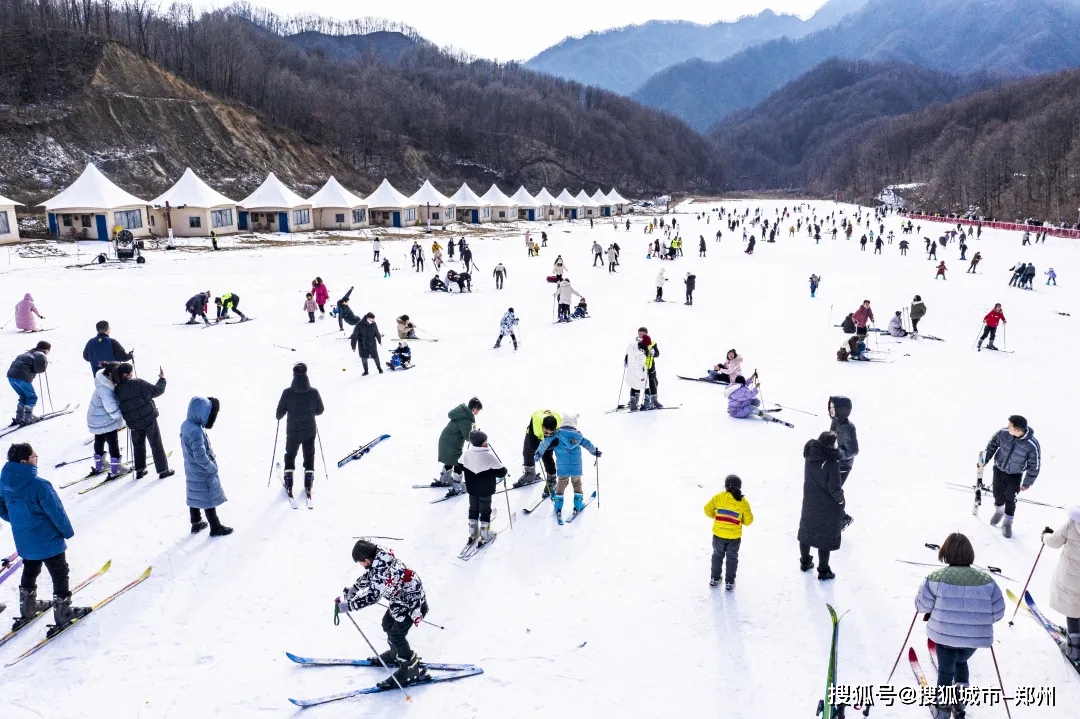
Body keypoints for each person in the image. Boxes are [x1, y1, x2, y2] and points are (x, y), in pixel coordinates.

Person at [0, 443, 91, 635]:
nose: (36, 458)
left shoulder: (3, 483)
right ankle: (63, 612)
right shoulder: (39, 485)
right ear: (24, 461)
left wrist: (18, 521)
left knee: (30, 568)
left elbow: (2, 509)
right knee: (59, 572)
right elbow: (56, 511)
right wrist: (66, 531)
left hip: (24, 538)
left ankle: (28, 608)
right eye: (34, 456)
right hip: (47, 538)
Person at [915, 533, 1005, 719]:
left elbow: (921, 605)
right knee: (961, 662)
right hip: (973, 640)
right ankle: (960, 701)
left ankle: (942, 710)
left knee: (946, 671)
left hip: (945, 637)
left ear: (945, 553)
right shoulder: (987, 580)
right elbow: (998, 612)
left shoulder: (936, 578)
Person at [336, 540, 430, 689]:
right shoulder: (378, 558)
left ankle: (411, 669)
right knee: (387, 623)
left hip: (411, 604)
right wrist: (354, 588)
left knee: (397, 635)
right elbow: (371, 576)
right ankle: (395, 655)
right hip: (400, 600)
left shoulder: (382, 568)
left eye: (361, 563)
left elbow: (373, 596)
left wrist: (350, 605)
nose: (362, 566)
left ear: (367, 560)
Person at [980, 415, 1040, 538]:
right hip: (998, 469)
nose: (1007, 427)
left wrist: (1027, 482)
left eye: (1010, 426)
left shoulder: (1032, 445)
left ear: (1017, 430)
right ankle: (999, 511)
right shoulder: (1003, 433)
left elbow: (1034, 465)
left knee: (1010, 498)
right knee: (997, 494)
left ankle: (1007, 523)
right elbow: (991, 446)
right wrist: (983, 461)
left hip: (1015, 475)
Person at [114, 363, 175, 480]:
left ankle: (140, 470)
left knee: (138, 446)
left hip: (133, 423)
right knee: (156, 444)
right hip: (148, 420)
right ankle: (163, 470)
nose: (132, 374)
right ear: (126, 374)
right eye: (131, 372)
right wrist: (162, 379)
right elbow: (157, 391)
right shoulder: (138, 383)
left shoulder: (117, 389)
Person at [534, 413, 600, 520]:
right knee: (577, 483)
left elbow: (544, 443)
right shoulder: (579, 437)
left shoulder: (556, 435)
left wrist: (538, 454)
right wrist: (595, 452)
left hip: (563, 467)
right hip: (576, 467)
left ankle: (558, 505)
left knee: (562, 483)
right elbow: (588, 444)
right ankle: (578, 505)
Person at [798, 431, 844, 580]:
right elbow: (834, 488)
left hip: (810, 502)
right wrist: (841, 501)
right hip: (826, 506)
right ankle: (823, 571)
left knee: (807, 532)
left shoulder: (810, 457)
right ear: (831, 445)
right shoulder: (831, 463)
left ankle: (805, 562)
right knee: (824, 537)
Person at [181, 396, 231, 535]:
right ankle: (215, 527)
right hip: (201, 470)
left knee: (194, 492)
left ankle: (196, 522)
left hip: (191, 468)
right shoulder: (196, 431)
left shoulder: (186, 425)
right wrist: (212, 468)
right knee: (207, 496)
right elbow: (200, 456)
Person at [275, 363, 324, 504]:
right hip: (309, 430)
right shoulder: (313, 392)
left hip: (293, 431)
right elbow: (320, 410)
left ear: (293, 375)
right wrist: (309, 411)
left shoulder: (287, 393)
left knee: (290, 455)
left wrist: (280, 415)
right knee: (309, 456)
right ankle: (308, 484)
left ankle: (289, 481)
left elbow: (279, 413)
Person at [1041, 506, 1080, 661]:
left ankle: (1074, 649)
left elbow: (1055, 541)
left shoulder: (1074, 522)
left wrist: (1045, 536)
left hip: (1071, 577)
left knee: (1073, 608)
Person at [704, 474, 754, 589]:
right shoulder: (742, 502)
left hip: (718, 535)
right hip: (734, 537)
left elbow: (707, 510)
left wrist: (717, 518)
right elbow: (749, 521)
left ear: (725, 486)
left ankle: (714, 579)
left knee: (717, 556)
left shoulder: (718, 497)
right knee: (732, 558)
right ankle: (729, 582)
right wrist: (739, 521)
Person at [460, 430, 507, 545]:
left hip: (472, 488)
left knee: (473, 508)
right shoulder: (488, 456)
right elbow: (501, 472)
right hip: (486, 490)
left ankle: (472, 531)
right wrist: (504, 470)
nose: (487, 442)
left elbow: (460, 466)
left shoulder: (466, 454)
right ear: (482, 443)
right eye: (485, 441)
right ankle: (485, 533)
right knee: (485, 509)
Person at [433, 398, 482, 495]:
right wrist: (478, 436)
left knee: (450, 460)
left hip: (446, 440)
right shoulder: (466, 419)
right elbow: (468, 436)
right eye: (479, 410)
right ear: (474, 409)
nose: (478, 412)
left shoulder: (461, 413)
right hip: (452, 443)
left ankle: (445, 480)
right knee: (458, 463)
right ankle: (457, 486)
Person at [86, 363, 127, 478]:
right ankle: (117, 468)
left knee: (99, 439)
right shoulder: (105, 390)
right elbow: (112, 409)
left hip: (95, 418)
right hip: (104, 421)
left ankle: (100, 464)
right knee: (113, 442)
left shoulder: (103, 384)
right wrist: (122, 417)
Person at [829, 396, 858, 530]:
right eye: (830, 407)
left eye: (833, 408)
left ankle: (843, 518)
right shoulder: (835, 422)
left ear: (842, 410)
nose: (831, 410)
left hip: (844, 465)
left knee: (833, 490)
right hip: (834, 462)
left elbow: (853, 450)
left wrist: (838, 454)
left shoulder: (848, 428)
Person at [7, 341, 50, 426]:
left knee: (23, 396)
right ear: (46, 349)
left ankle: (19, 417)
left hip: (11, 376)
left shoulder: (28, 353)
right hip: (22, 377)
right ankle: (28, 417)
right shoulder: (40, 355)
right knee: (32, 397)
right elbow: (40, 369)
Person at [514, 410, 560, 490]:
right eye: (546, 432)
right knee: (527, 451)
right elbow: (532, 444)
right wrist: (538, 449)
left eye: (551, 433)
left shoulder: (559, 427)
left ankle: (552, 480)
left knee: (547, 456)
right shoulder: (536, 423)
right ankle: (530, 474)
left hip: (552, 432)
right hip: (533, 432)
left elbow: (557, 442)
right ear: (542, 426)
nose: (548, 434)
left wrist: (545, 448)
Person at [623, 332, 649, 412]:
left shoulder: (634, 346)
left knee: (634, 385)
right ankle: (634, 404)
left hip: (633, 371)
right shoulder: (639, 351)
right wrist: (641, 376)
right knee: (638, 385)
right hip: (637, 372)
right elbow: (636, 365)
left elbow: (628, 353)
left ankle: (634, 403)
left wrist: (626, 360)